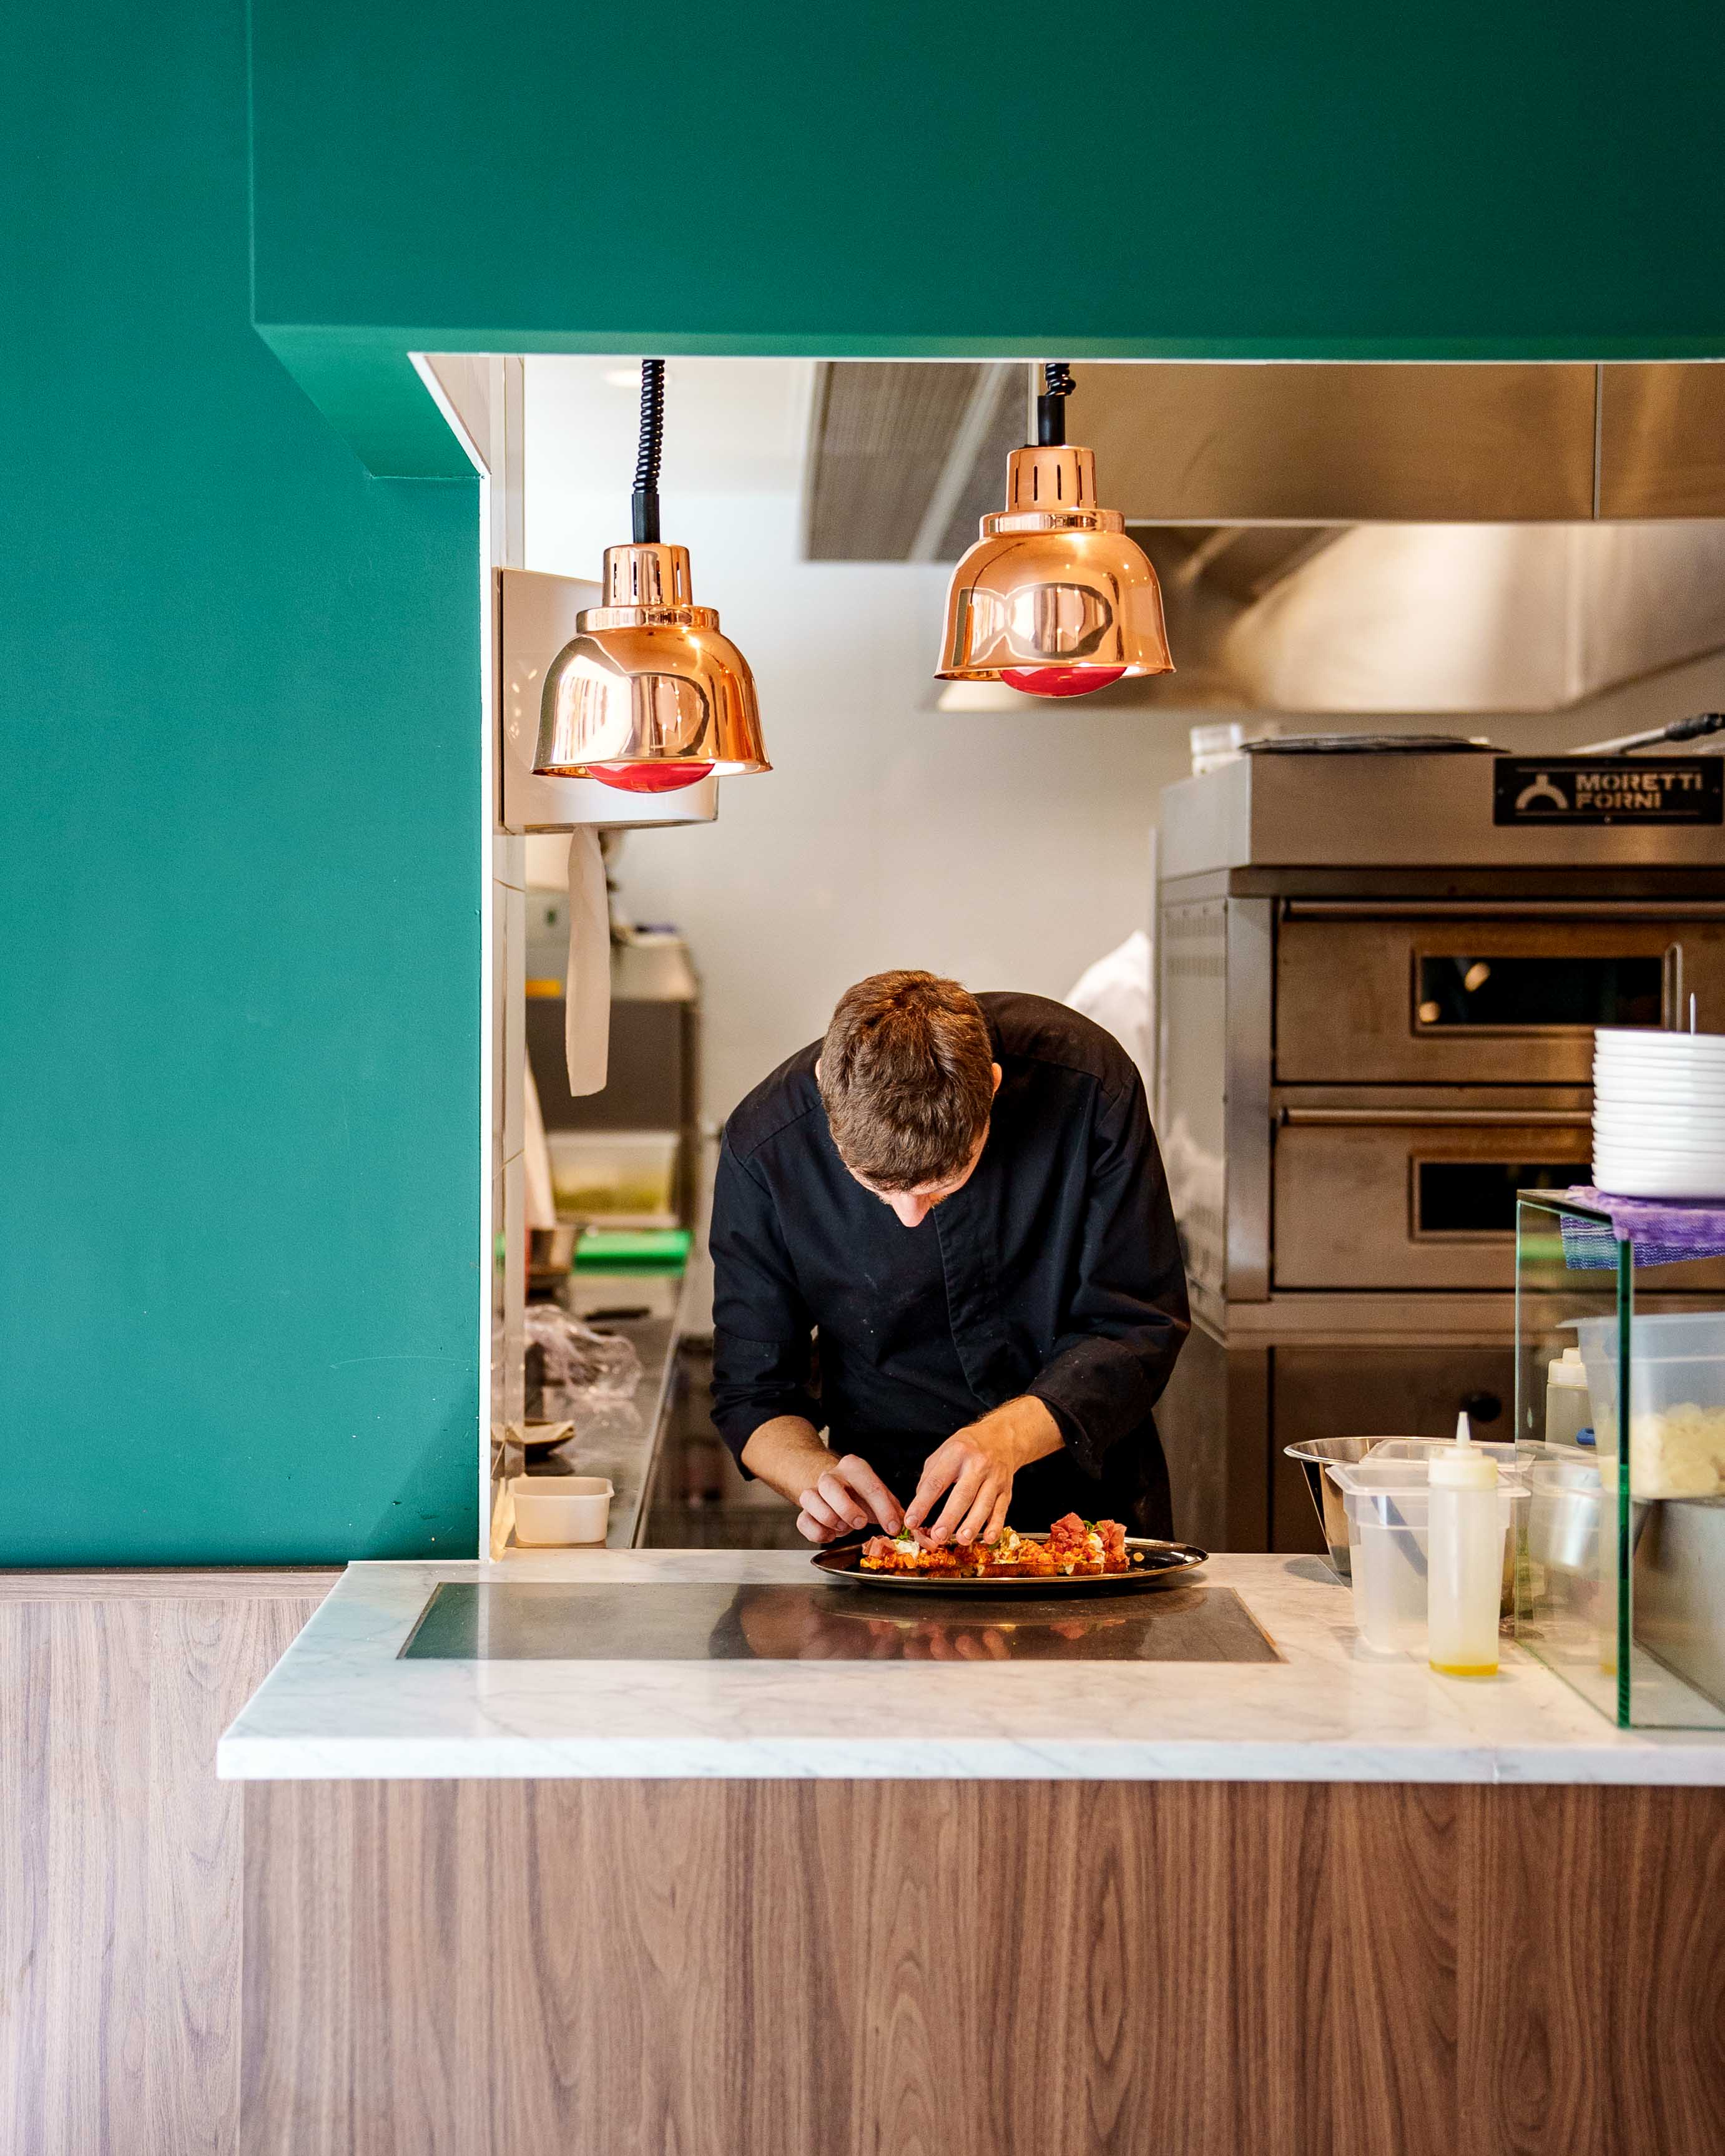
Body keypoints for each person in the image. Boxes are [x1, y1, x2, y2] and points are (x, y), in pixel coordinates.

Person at [709, 969, 1190, 1550]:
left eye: (941, 1185)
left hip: (1083, 1501)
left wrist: (1007, 1439)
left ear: (992, 1087)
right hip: (893, 1515)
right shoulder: (765, 1143)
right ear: (823, 1092)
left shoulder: (1086, 1081)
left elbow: (1136, 1321)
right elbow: (753, 1389)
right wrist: (816, 1479)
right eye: (876, 1187)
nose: (909, 1215)